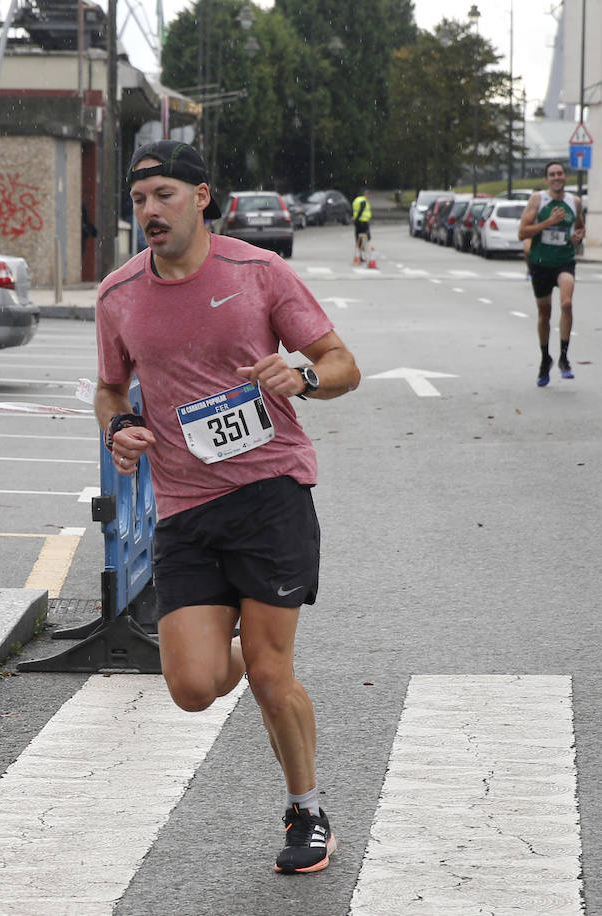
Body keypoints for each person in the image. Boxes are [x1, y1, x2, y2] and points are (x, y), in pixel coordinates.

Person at [95, 139, 361, 875]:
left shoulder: (257, 272)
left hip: (270, 492)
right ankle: (246, 646)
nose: (149, 211)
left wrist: (300, 373)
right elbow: (110, 389)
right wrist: (118, 427)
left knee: (274, 676)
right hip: (182, 507)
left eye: (164, 197)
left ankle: (308, 812)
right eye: (140, 199)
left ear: (201, 197)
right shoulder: (118, 296)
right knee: (190, 688)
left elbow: (344, 365)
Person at [519, 161, 585, 387]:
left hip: (564, 261)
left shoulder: (574, 201)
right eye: (552, 174)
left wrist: (578, 235)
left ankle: (564, 358)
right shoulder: (538, 200)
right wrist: (549, 222)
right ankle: (545, 358)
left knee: (566, 304)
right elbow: (522, 232)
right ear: (547, 179)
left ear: (565, 177)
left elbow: (579, 227)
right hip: (540, 262)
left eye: (560, 173)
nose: (556, 177)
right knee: (544, 314)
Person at [352, 187, 375, 268]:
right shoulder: (363, 201)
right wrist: (357, 218)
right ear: (365, 194)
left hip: (358, 223)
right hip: (363, 222)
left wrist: (355, 219)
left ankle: (359, 256)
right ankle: (366, 255)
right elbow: (361, 210)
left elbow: (355, 211)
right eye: (368, 194)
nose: (369, 196)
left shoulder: (356, 200)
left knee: (358, 239)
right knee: (366, 238)